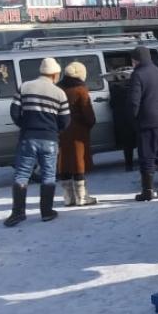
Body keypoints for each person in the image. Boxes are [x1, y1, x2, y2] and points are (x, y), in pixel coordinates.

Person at [4, 57, 70, 227]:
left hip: (28, 138)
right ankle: (46, 212)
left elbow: (14, 112)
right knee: (48, 175)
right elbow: (65, 121)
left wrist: (25, 126)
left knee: (22, 174)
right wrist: (54, 130)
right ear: (55, 74)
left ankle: (18, 212)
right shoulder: (59, 93)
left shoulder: (25, 87)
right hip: (50, 139)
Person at [129, 46, 158, 201]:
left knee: (147, 156)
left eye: (132, 60)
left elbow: (134, 101)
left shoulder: (137, 75)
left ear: (136, 60)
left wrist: (133, 119)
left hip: (147, 122)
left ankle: (147, 191)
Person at [57, 61, 97, 206]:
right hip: (78, 131)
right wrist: (89, 124)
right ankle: (82, 197)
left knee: (64, 161)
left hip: (61, 130)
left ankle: (68, 198)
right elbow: (88, 114)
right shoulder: (81, 90)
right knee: (79, 162)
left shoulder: (58, 88)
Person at [109, 73, 138, 172]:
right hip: (134, 118)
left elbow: (111, 105)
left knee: (127, 145)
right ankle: (144, 162)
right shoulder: (134, 89)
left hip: (122, 121)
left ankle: (129, 165)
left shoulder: (115, 91)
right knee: (141, 142)